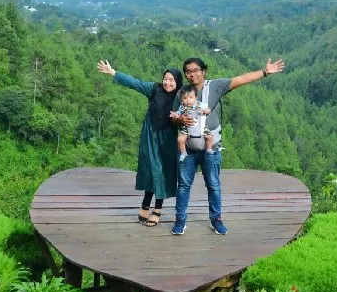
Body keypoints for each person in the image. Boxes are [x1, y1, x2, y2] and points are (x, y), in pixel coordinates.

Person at [169, 56, 286, 236]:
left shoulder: (214, 86)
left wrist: (264, 72)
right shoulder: (182, 93)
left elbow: (238, 80)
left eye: (195, 71)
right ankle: (180, 220)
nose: (192, 75)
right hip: (189, 147)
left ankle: (216, 219)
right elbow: (175, 120)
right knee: (183, 185)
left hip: (211, 146)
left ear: (203, 71)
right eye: (188, 72)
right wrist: (180, 120)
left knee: (213, 184)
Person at [96, 60, 182, 227]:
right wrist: (113, 72)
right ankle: (145, 204)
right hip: (150, 136)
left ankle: (156, 210)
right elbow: (135, 83)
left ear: (177, 82)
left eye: (172, 80)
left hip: (167, 140)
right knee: (150, 169)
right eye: (165, 78)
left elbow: (192, 109)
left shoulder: (180, 96)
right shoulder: (154, 89)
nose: (167, 82)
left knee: (161, 172)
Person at [174, 84, 213, 161]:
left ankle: (209, 149)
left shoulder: (200, 105)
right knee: (180, 140)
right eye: (185, 98)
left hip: (201, 126)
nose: (188, 100)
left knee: (209, 137)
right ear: (182, 99)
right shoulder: (182, 107)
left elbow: (208, 110)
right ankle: (183, 152)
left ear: (196, 98)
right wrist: (175, 115)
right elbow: (178, 113)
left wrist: (205, 111)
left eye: (190, 97)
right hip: (187, 128)